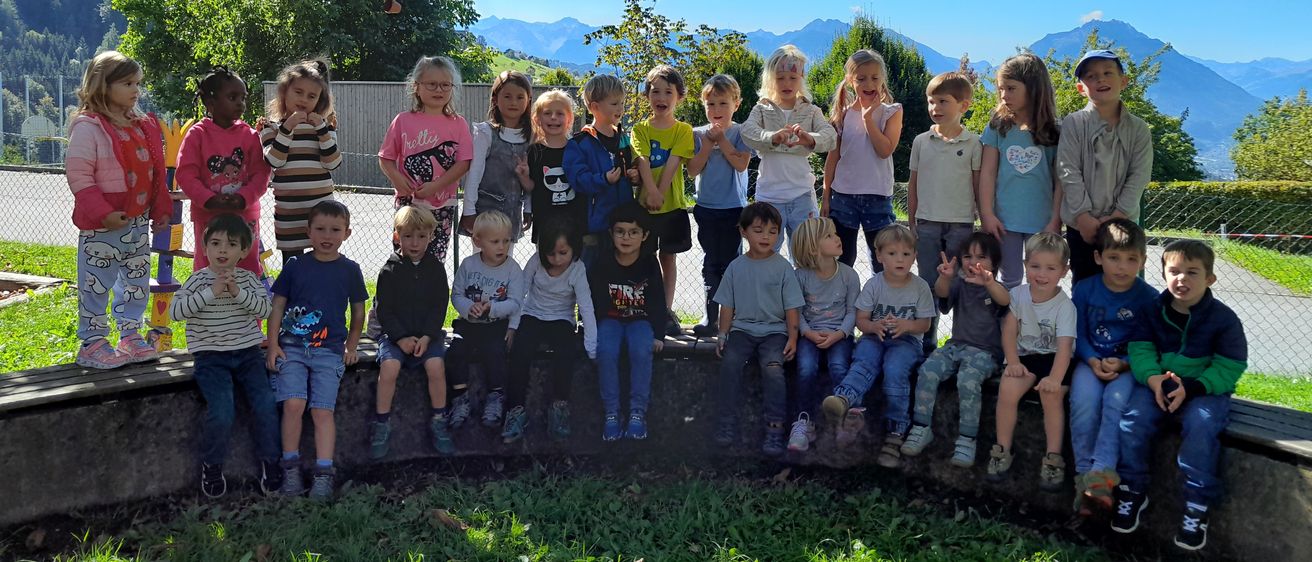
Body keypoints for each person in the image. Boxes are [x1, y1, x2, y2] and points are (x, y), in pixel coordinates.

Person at [1113, 240, 1246, 552]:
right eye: (1174, 271)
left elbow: (1230, 365)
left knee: (1202, 427)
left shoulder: (1224, 319)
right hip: (1160, 384)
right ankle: (1132, 489)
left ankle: (1196, 507)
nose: (1181, 279)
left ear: (1210, 279)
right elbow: (1140, 349)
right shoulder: (1152, 311)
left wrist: (1195, 387)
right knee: (1133, 421)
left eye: (1192, 272)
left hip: (1203, 389)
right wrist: (1154, 378)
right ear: (1163, 273)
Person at [66, 50, 171, 369]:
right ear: (102, 85)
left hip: (136, 224)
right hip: (102, 228)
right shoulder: (89, 127)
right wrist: (102, 212)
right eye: (127, 83)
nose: (135, 89)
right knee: (95, 283)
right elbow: (79, 176)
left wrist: (160, 206)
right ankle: (93, 342)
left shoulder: (139, 125)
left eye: (137, 82)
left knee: (136, 282)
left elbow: (155, 170)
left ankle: (130, 336)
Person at [170, 215, 280, 498]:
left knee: (266, 403)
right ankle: (213, 465)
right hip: (211, 358)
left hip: (248, 354)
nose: (222, 250)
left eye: (231, 245)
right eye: (216, 244)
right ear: (204, 248)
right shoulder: (197, 280)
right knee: (222, 410)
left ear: (244, 251)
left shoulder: (249, 280)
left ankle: (271, 462)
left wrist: (237, 292)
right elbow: (175, 313)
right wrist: (211, 292)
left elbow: (265, 310)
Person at [266, 200, 368, 501]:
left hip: (329, 352)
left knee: (323, 411)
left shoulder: (350, 270)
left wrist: (352, 345)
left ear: (346, 233)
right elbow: (278, 307)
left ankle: (323, 475)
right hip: (292, 349)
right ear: (308, 232)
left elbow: (359, 312)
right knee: (293, 405)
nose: (327, 235)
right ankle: (291, 470)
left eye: (335, 230)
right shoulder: (296, 267)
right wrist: (272, 345)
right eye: (320, 228)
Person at [821, 224, 934, 468]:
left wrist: (906, 325)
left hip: (906, 342)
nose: (900, 260)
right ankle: (844, 398)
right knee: (864, 359)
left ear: (915, 256)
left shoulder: (920, 286)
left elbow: (925, 324)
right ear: (879, 256)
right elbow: (862, 319)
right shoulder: (874, 284)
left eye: (906, 254)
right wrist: (873, 327)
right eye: (892, 254)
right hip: (876, 337)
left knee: (894, 370)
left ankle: (895, 432)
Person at [1070, 218, 1159, 514]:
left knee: (1115, 404)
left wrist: (1124, 364)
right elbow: (1078, 334)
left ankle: (1102, 474)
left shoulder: (1148, 298)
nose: (1122, 267)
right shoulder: (1084, 290)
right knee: (1083, 402)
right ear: (1098, 258)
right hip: (1089, 360)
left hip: (1126, 367)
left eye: (1131, 259)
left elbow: (1150, 343)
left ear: (1143, 261)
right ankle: (1085, 477)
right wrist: (1092, 359)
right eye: (1114, 258)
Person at [901, 233, 1010, 468]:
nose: (973, 261)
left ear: (995, 263)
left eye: (982, 256)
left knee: (967, 380)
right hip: (956, 346)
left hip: (986, 353)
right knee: (928, 370)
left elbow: (1004, 301)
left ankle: (967, 439)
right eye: (968, 256)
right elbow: (942, 295)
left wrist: (989, 283)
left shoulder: (995, 288)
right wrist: (946, 278)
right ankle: (921, 427)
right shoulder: (960, 284)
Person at [713, 203, 805, 455]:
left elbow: (792, 309)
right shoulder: (735, 267)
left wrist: (793, 338)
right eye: (759, 230)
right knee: (730, 363)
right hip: (742, 330)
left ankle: (775, 429)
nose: (766, 237)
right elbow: (727, 306)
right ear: (743, 232)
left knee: (773, 369)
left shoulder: (784, 267)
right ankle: (725, 423)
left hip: (775, 332)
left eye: (773, 231)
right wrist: (722, 335)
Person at [987, 232, 1076, 492]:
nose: (1042, 274)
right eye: (1035, 266)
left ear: (1064, 271)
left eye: (1051, 268)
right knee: (1007, 389)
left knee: (1052, 396)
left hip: (1055, 362)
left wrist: (1055, 379)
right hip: (1024, 357)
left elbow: (1064, 348)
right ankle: (1002, 449)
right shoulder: (1017, 295)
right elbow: (1009, 332)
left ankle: (1053, 457)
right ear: (1025, 266)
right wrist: (1012, 361)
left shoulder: (1065, 306)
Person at [1057, 49, 1153, 283]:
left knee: (1124, 286)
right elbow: (1067, 169)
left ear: (1124, 81)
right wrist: (1083, 217)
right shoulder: (1073, 123)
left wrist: (1118, 216)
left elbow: (1139, 175)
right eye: (1091, 76)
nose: (1100, 79)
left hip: (1124, 227)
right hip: (1081, 228)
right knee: (1084, 286)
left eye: (1108, 73)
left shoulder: (1138, 129)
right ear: (1081, 88)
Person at [368, 206, 454, 460]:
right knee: (390, 368)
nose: (414, 243)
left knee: (437, 367)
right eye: (407, 236)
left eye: (420, 236)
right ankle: (382, 423)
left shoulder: (436, 269)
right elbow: (385, 310)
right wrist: (400, 337)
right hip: (395, 337)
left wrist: (428, 336)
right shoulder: (389, 270)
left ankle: (439, 420)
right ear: (397, 236)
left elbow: (439, 306)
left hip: (427, 336)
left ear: (430, 236)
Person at [502, 219, 597, 443]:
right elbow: (520, 293)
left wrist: (592, 347)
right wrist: (513, 327)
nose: (556, 259)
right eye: (550, 253)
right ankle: (516, 411)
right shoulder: (536, 262)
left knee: (566, 353)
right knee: (520, 353)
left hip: (562, 319)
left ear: (574, 249)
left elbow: (586, 306)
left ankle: (559, 407)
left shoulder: (578, 268)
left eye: (562, 252)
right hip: (532, 314)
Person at [908, 71, 982, 356]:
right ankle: (927, 344)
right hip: (926, 224)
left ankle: (962, 341)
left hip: (960, 225)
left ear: (963, 106)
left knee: (959, 283)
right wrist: (912, 221)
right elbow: (913, 184)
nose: (934, 108)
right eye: (930, 101)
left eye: (943, 101)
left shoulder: (974, 143)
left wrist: (980, 220)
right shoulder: (920, 141)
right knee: (927, 283)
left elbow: (977, 186)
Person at [176, 66, 271, 276]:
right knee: (209, 267)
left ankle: (247, 308)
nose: (240, 103)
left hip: (244, 215)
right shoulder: (197, 135)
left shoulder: (250, 135)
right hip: (208, 216)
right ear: (211, 103)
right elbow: (185, 174)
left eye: (243, 97)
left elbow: (261, 174)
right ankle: (208, 307)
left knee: (246, 266)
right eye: (232, 97)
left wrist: (244, 198)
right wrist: (208, 200)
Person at [979, 53, 1063, 289]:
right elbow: (987, 172)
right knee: (1010, 281)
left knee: (1041, 281)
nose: (1004, 95)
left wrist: (1056, 219)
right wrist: (986, 213)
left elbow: (1061, 180)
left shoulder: (1055, 131)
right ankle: (1009, 325)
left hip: (1043, 223)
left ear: (1034, 88)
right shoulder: (998, 126)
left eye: (1011, 88)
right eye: (1000, 89)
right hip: (1004, 222)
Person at [741, 45, 837, 250]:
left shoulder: (812, 111)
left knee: (806, 255)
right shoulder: (761, 108)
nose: (787, 83)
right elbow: (747, 131)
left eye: (793, 78)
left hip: (802, 196)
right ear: (770, 79)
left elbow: (830, 137)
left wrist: (808, 139)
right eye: (780, 78)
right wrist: (772, 137)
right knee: (765, 255)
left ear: (801, 78)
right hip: (768, 197)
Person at [378, 55, 473, 262]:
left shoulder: (458, 124)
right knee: (404, 257)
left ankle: (431, 295)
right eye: (431, 84)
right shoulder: (403, 121)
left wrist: (436, 185)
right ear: (416, 86)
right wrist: (396, 179)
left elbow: (464, 163)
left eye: (445, 85)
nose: (439, 90)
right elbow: (385, 158)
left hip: (442, 205)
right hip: (408, 204)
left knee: (435, 261)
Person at [588, 202, 667, 441]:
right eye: (620, 231)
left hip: (640, 321)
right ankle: (612, 412)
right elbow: (593, 299)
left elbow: (658, 302)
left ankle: (637, 413)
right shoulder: (602, 262)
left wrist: (659, 335)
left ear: (644, 235)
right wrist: (590, 329)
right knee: (606, 350)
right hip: (610, 321)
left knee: (641, 350)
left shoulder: (650, 263)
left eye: (633, 232)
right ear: (611, 234)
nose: (626, 237)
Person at [821, 49, 903, 271]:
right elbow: (833, 158)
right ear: (850, 81)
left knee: (882, 261)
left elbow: (884, 150)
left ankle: (879, 304)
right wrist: (826, 196)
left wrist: (868, 118)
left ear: (882, 79)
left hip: (877, 197)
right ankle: (844, 303)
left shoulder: (892, 112)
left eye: (875, 78)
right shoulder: (843, 114)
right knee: (842, 259)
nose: (869, 83)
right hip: (843, 197)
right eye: (861, 78)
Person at [686, 74, 752, 338]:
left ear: (736, 104)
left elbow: (741, 164)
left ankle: (733, 316)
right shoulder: (697, 134)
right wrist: (707, 145)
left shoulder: (741, 132)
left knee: (732, 264)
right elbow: (692, 170)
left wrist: (722, 141)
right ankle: (710, 315)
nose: (716, 111)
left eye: (723, 104)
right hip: (706, 208)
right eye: (710, 104)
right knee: (710, 263)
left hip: (734, 209)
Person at [632, 65, 696, 336]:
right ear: (647, 96)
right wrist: (651, 191)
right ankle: (645, 308)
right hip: (644, 207)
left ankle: (666, 310)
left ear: (679, 97)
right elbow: (642, 159)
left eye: (668, 92)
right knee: (643, 258)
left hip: (672, 207)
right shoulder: (640, 129)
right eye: (655, 91)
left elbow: (673, 162)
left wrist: (660, 192)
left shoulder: (683, 130)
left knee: (668, 258)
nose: (661, 97)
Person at [445, 210, 523, 430]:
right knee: (455, 352)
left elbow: (516, 302)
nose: (502, 247)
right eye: (495, 241)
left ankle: (495, 396)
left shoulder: (512, 269)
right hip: (468, 324)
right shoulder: (468, 265)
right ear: (477, 241)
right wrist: (469, 308)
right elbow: (456, 294)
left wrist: (494, 310)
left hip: (494, 326)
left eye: (506, 241)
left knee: (496, 352)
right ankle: (460, 397)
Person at [787, 216, 858, 453]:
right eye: (829, 236)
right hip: (810, 334)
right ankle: (804, 422)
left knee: (839, 366)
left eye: (835, 233)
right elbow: (797, 312)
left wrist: (839, 334)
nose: (838, 238)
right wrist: (807, 333)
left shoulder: (849, 275)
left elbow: (852, 312)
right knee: (806, 368)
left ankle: (844, 424)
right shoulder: (800, 277)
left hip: (840, 334)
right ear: (812, 247)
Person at [260, 58, 341, 265]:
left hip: (322, 214)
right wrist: (287, 129)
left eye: (311, 96)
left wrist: (322, 131)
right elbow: (274, 161)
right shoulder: (271, 128)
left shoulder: (325, 128)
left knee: (323, 263)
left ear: (319, 101)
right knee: (292, 266)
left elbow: (332, 163)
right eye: (298, 92)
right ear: (284, 92)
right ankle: (294, 298)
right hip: (289, 214)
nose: (304, 99)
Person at [564, 74, 640, 264]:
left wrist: (634, 176)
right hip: (594, 227)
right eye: (614, 104)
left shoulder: (624, 139)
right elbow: (578, 179)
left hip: (622, 227)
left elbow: (631, 169)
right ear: (595, 107)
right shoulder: (580, 143)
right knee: (590, 276)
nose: (621, 108)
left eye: (622, 103)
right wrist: (603, 179)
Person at [460, 70, 533, 240]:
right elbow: (474, 173)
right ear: (495, 99)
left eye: (519, 97)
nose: (513, 102)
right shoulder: (485, 132)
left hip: (512, 212)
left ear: (528, 100)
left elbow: (531, 176)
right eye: (507, 96)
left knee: (505, 261)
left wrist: (529, 209)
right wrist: (469, 211)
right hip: (484, 212)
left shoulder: (531, 136)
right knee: (482, 260)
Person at [526, 89, 585, 243]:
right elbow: (532, 186)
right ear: (537, 118)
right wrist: (522, 175)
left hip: (573, 222)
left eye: (560, 113)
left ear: (569, 118)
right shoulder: (534, 151)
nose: (553, 117)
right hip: (544, 223)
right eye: (547, 113)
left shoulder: (578, 149)